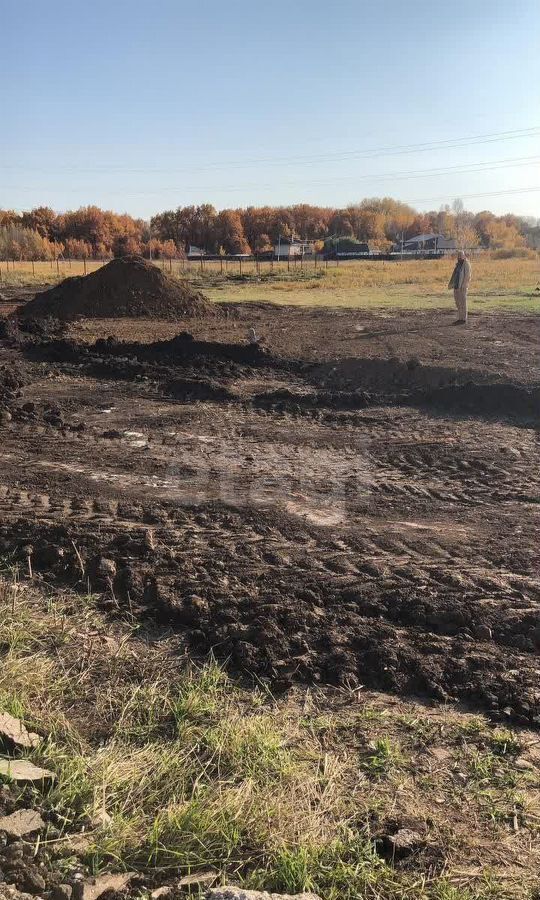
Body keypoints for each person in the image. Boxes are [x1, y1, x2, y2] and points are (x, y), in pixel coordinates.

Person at [448, 250, 471, 324]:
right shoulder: (458, 264)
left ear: (464, 256)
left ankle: (463, 319)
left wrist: (464, 285)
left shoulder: (466, 264)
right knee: (457, 302)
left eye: (461, 255)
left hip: (462, 287)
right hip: (456, 286)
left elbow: (467, 276)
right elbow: (455, 275)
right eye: (458, 255)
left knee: (463, 303)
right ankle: (460, 317)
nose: (459, 257)